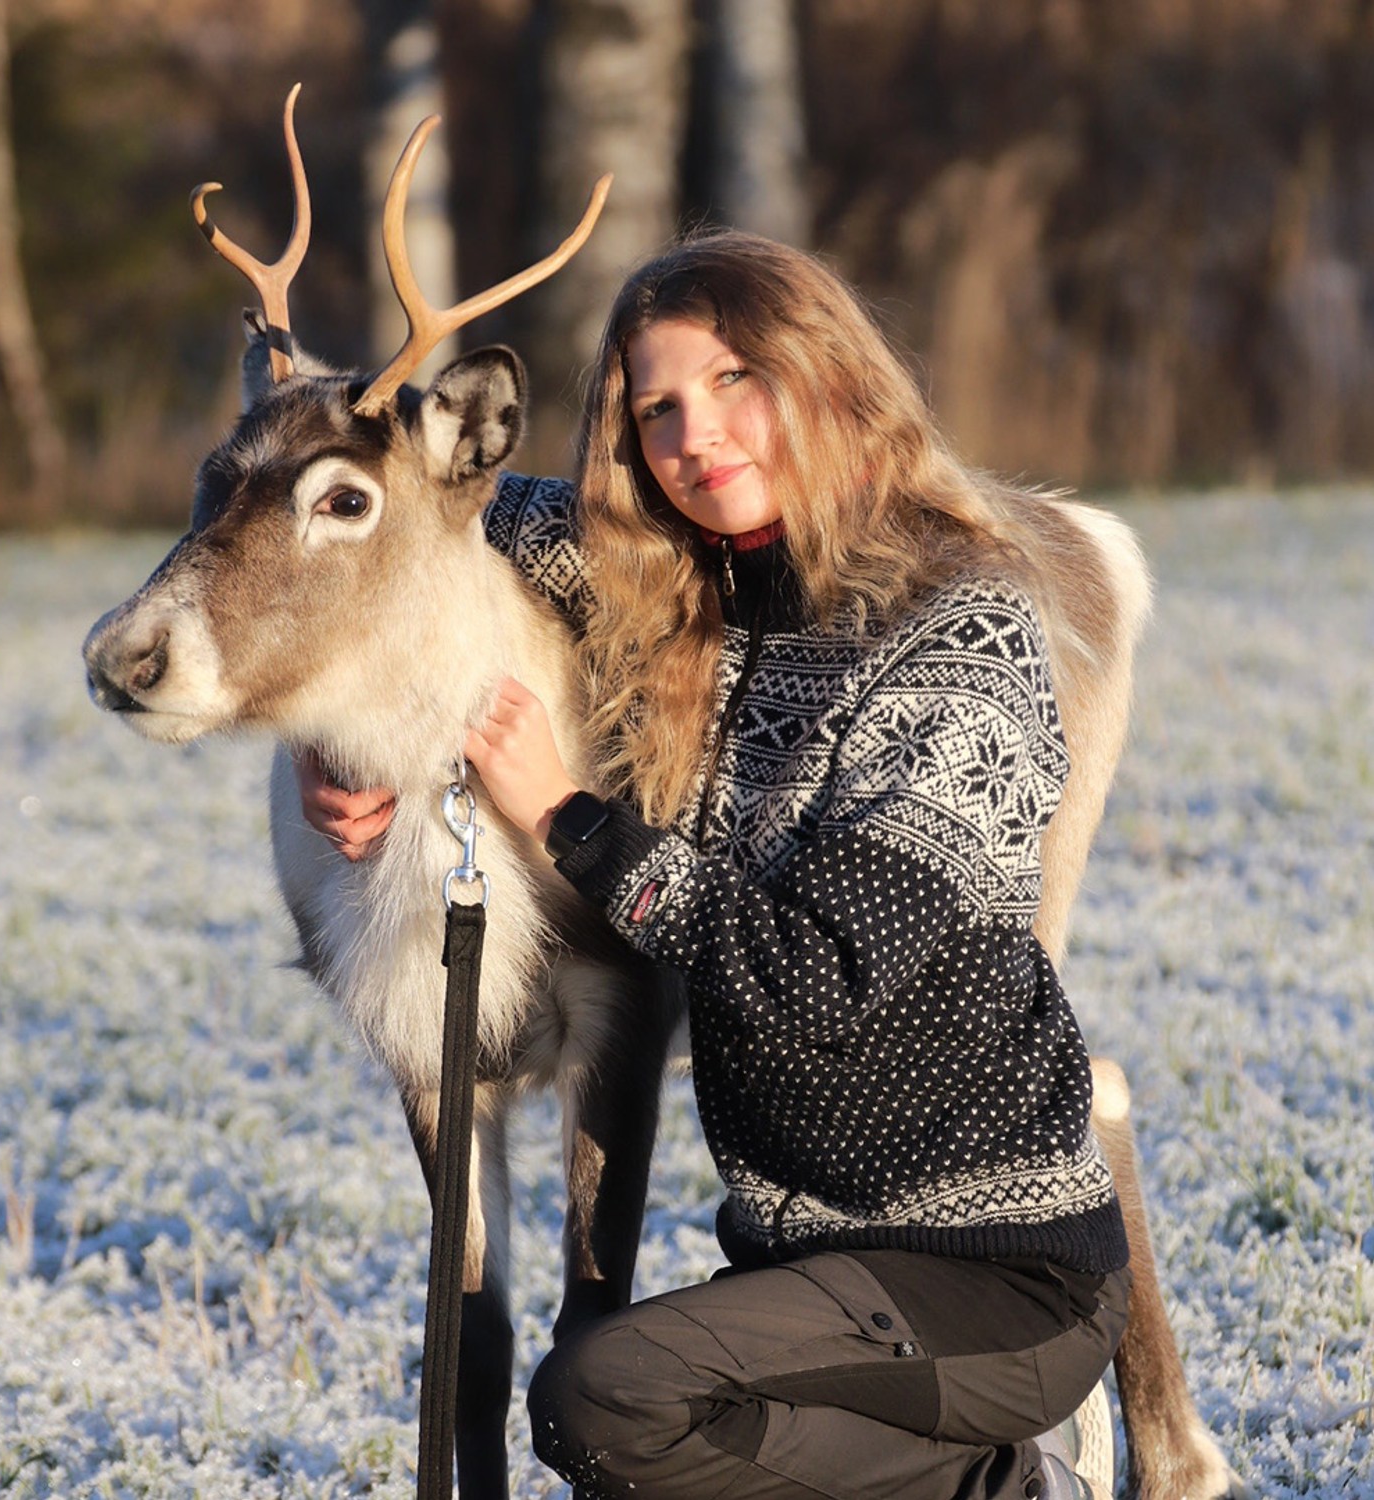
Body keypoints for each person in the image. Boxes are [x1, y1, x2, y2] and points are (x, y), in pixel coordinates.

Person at [299, 231, 1130, 1500]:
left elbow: (812, 975)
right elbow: (414, 529)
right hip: (803, 1264)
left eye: (738, 381)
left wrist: (569, 818)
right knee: (651, 1418)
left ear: (829, 375)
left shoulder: (960, 635)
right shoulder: (687, 596)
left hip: (991, 1273)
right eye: (659, 409)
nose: (700, 435)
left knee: (607, 1401)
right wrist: (350, 759)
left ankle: (1013, 1483)